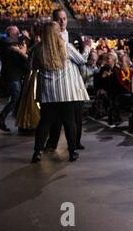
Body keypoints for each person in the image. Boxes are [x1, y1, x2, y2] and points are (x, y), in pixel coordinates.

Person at [31, 22, 90, 163]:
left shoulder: (38, 49)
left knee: (44, 123)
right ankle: (72, 152)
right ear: (58, 33)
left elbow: (30, 66)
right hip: (65, 92)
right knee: (70, 122)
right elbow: (82, 60)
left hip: (48, 94)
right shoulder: (66, 46)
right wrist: (87, 48)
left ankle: (37, 152)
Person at [45, 9, 86, 151]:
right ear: (54, 20)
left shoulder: (74, 36)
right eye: (59, 19)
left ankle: (76, 143)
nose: (62, 22)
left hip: (75, 82)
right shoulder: (47, 38)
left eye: (64, 18)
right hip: (56, 84)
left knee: (76, 117)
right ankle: (52, 143)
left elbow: (82, 58)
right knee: (55, 119)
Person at [0, 26, 28, 132]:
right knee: (15, 98)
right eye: (16, 33)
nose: (18, 34)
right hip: (11, 76)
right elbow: (11, 47)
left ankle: (15, 120)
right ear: (10, 34)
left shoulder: (10, 44)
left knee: (15, 98)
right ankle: (1, 119)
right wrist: (22, 44)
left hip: (13, 75)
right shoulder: (6, 44)